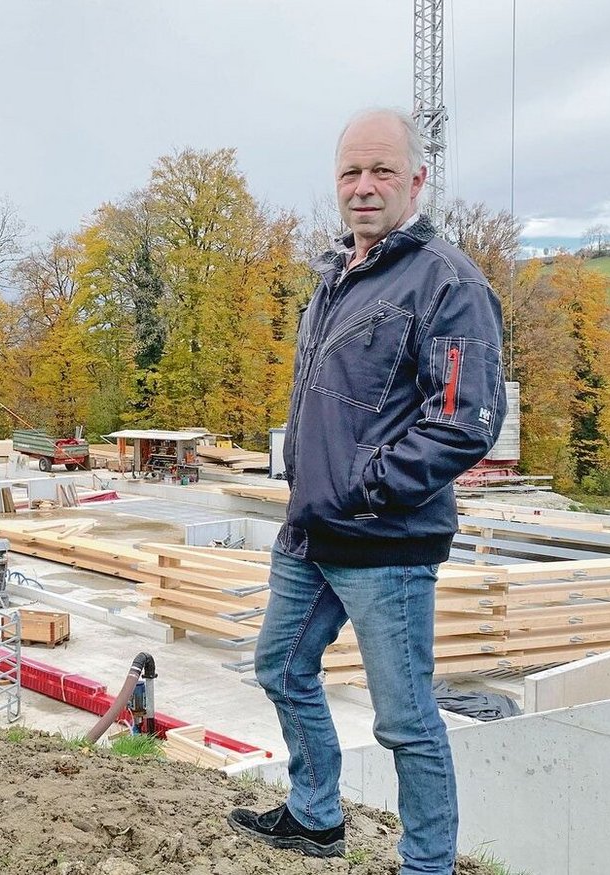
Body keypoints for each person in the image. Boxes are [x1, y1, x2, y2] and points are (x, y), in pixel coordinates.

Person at [228, 108, 505, 875]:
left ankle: (426, 863)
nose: (364, 186)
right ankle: (315, 815)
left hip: (384, 541)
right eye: (351, 171)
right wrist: (308, 488)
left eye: (382, 171)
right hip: (311, 530)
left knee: (406, 720)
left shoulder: (448, 282)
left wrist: (365, 487)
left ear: (416, 180)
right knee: (280, 666)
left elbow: (463, 420)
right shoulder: (335, 277)